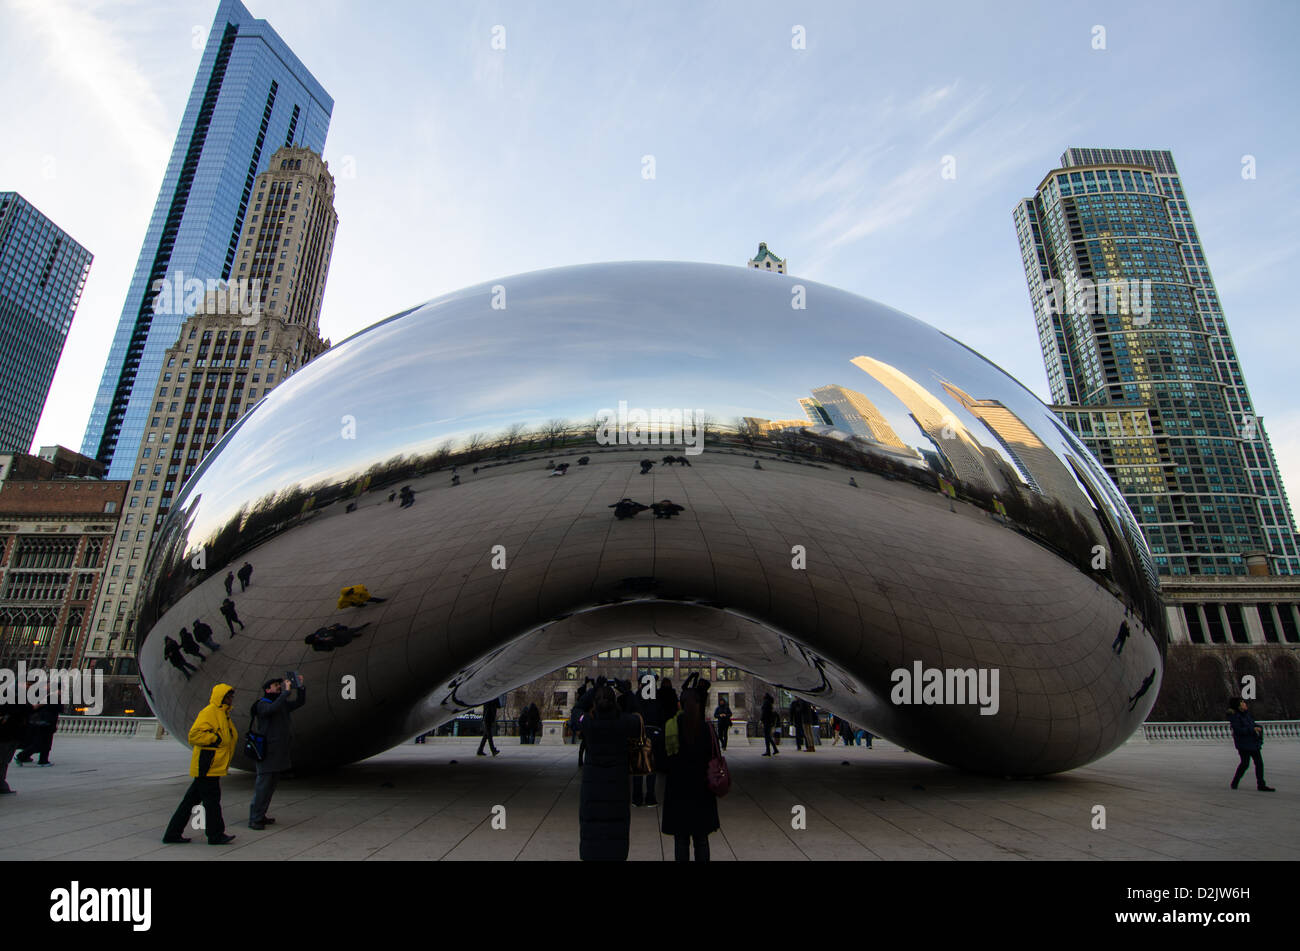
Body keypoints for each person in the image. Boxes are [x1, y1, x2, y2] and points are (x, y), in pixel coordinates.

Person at [162, 683, 238, 845]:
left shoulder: (223, 714)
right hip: (207, 766)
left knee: (190, 802)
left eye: (232, 696)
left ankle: (172, 833)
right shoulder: (210, 712)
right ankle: (215, 834)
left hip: (213, 766)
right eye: (229, 696)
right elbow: (194, 735)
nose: (232, 699)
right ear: (222, 697)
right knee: (212, 802)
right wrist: (215, 739)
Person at [578, 684, 642, 861]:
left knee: (592, 835)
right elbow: (639, 717)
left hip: (592, 792)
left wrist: (593, 690)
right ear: (614, 703)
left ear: (595, 704)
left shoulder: (588, 723)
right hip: (618, 791)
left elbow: (577, 711)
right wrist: (628, 693)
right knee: (616, 834)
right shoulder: (625, 723)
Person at [661, 680, 720, 861]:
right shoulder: (707, 729)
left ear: (681, 704)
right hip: (702, 792)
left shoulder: (672, 727)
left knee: (681, 840)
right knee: (701, 839)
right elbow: (714, 756)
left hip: (678, 792)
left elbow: (662, 761)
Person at [248, 674, 307, 829]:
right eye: (275, 686)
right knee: (263, 786)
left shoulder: (281, 703)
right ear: (267, 689)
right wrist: (285, 693)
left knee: (270, 786)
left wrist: (300, 686)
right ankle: (254, 818)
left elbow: (300, 702)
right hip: (267, 752)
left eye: (279, 685)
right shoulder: (262, 704)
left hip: (278, 751)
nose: (279, 687)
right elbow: (271, 709)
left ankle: (261, 815)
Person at [1228, 697, 1275, 791]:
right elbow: (1238, 730)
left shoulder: (1247, 714)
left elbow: (1251, 724)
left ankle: (1261, 784)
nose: (1245, 704)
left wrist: (1257, 727)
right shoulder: (1235, 716)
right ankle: (1235, 781)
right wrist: (1253, 729)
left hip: (1253, 742)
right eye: (1242, 703)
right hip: (1243, 744)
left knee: (1259, 763)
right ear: (1238, 706)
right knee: (1245, 764)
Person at [633, 672, 663, 808]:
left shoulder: (638, 696)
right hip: (654, 732)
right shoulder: (656, 696)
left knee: (638, 765)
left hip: (639, 732)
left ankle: (637, 798)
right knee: (651, 765)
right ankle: (650, 797)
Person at [0, 700, 31, 793]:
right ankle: (2, 785)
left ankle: (2, 784)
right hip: (8, 737)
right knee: (3, 761)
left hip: (9, 736)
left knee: (3, 761)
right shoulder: (15, 706)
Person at [15, 702, 59, 766]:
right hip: (44, 722)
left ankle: (42, 760)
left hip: (45, 721)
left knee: (43, 743)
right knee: (41, 743)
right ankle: (22, 756)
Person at [304, 622, 368, 652]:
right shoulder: (317, 647)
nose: (317, 635)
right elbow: (330, 649)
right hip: (340, 640)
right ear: (314, 641)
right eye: (316, 637)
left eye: (316, 635)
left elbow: (326, 628)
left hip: (340, 633)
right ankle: (354, 635)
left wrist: (333, 628)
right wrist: (327, 641)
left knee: (353, 630)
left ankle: (361, 628)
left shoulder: (318, 632)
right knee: (349, 637)